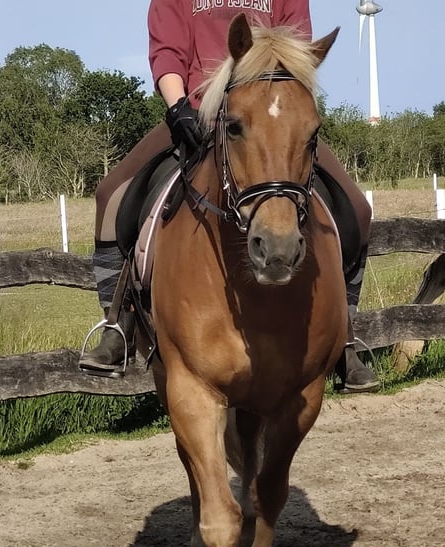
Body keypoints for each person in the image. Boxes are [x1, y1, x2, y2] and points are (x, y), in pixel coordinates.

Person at [79, 0, 380, 393]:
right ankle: (117, 324)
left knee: (356, 209)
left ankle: (344, 336)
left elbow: (297, 49)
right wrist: (177, 108)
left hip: (269, 120)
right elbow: (167, 51)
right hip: (197, 112)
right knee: (110, 197)